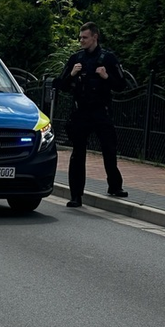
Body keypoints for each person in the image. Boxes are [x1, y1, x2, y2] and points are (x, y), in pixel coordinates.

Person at [54, 22, 128, 208]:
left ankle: (115, 185)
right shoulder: (76, 59)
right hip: (81, 112)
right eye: (80, 38)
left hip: (101, 111)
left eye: (85, 37)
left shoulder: (108, 58)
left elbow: (121, 85)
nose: (81, 41)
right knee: (78, 154)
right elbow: (61, 85)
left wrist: (106, 77)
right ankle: (76, 195)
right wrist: (71, 74)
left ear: (95, 37)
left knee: (109, 149)